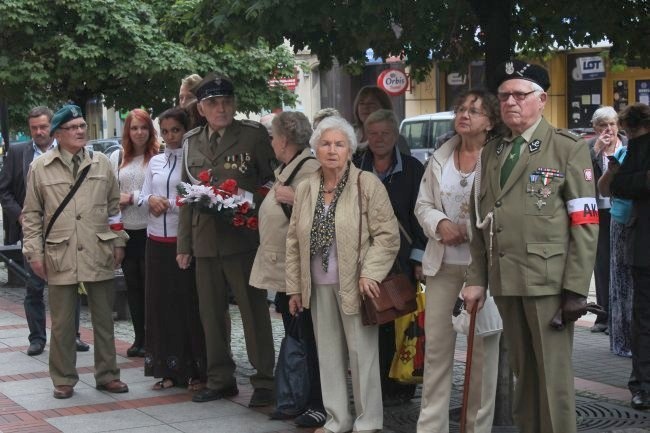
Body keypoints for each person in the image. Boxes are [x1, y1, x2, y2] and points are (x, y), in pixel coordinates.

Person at [462, 61, 598, 433]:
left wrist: (575, 289)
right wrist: (476, 278)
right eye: (504, 95)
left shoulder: (566, 148)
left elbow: (585, 223)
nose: (510, 102)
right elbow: (480, 219)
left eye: (520, 95)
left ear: (541, 99)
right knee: (524, 376)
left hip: (549, 284)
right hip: (506, 279)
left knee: (552, 379)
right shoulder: (493, 151)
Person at [286, 116, 400, 433]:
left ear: (350, 149)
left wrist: (371, 274)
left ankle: (368, 422)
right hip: (318, 284)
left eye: (339, 144)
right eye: (325, 144)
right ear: (315, 149)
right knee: (328, 355)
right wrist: (295, 288)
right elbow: (294, 241)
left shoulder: (366, 184)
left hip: (358, 285)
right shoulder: (307, 188)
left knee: (362, 356)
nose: (332, 150)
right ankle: (337, 419)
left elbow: (388, 236)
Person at [177, 73, 276, 407]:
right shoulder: (191, 141)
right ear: (201, 109)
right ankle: (220, 378)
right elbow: (186, 195)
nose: (221, 108)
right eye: (212, 103)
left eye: (226, 101)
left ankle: (265, 380)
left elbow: (271, 182)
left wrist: (250, 206)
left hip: (243, 238)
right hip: (205, 241)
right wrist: (183, 245)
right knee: (211, 312)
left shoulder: (253, 136)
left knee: (253, 311)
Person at [22, 104, 129, 399]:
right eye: (74, 127)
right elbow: (31, 215)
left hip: (98, 248)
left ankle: (108, 375)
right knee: (62, 322)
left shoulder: (102, 163)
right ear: (58, 134)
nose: (81, 131)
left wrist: (119, 240)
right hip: (60, 253)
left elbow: (113, 207)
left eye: (83, 125)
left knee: (104, 319)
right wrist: (34, 252)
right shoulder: (40, 168)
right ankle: (64, 378)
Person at [415, 89, 503, 433]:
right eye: (462, 109)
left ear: (490, 122)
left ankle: (475, 428)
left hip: (484, 269)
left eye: (476, 111)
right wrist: (440, 224)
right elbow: (422, 204)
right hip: (442, 266)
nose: (465, 114)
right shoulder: (439, 156)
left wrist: (465, 228)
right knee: (436, 354)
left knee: (482, 357)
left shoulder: (497, 158)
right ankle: (431, 428)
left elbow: (502, 210)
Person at [249, 112, 324, 426]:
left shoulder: (306, 170)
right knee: (296, 333)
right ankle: (297, 395)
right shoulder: (288, 169)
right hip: (285, 270)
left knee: (306, 336)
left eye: (272, 136)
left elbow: (320, 217)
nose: (271, 142)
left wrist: (295, 200)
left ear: (284, 139)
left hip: (300, 272)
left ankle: (310, 400)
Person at [0, 106, 88, 357]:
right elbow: (3, 190)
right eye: (34, 128)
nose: (39, 132)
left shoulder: (68, 151)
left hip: (65, 230)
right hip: (32, 231)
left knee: (70, 284)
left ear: (53, 126)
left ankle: (73, 336)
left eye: (43, 127)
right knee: (34, 286)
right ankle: (37, 338)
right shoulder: (18, 153)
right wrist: (21, 215)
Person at [354, 109, 426, 406]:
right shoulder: (356, 167)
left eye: (385, 133)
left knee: (399, 319)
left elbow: (420, 217)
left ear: (395, 136)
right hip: (365, 259)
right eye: (373, 134)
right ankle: (376, 384)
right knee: (372, 321)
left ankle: (401, 383)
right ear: (365, 137)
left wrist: (420, 259)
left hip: (402, 261)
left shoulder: (412, 168)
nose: (379, 139)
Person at [139, 108, 207, 391]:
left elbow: (202, 194)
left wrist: (179, 204)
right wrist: (151, 199)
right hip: (156, 241)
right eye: (165, 131)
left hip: (183, 241)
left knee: (187, 305)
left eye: (175, 130)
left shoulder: (193, 159)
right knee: (160, 306)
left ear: (185, 129)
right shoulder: (155, 160)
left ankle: (196, 370)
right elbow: (143, 195)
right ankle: (167, 370)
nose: (170, 136)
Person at [609, 103, 650, 410]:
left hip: (642, 247)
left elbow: (621, 184)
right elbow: (620, 185)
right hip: (642, 246)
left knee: (644, 319)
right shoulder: (637, 147)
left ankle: (642, 386)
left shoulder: (637, 146)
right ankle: (642, 386)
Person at [109, 109, 159, 357]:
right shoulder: (118, 157)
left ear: (150, 130)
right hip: (127, 231)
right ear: (127, 131)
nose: (139, 132)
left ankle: (153, 339)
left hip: (152, 230)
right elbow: (109, 194)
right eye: (134, 128)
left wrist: (133, 198)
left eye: (144, 127)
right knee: (133, 287)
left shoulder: (157, 157)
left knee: (151, 287)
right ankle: (139, 338)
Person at [588, 106, 628, 334]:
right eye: (603, 125)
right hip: (598, 212)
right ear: (595, 128)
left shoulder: (629, 146)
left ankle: (622, 316)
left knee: (623, 263)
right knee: (602, 264)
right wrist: (596, 150)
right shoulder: (588, 148)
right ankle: (603, 316)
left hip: (624, 210)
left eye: (612, 124)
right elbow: (580, 174)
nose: (608, 129)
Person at [598, 140, 634, 358]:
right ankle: (621, 339)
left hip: (640, 222)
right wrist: (611, 173)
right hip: (620, 221)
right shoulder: (622, 153)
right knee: (620, 281)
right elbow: (602, 189)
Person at [351, 85, 410, 155]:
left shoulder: (396, 139)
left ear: (384, 107)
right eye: (361, 103)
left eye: (371, 104)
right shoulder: (348, 134)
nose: (365, 107)